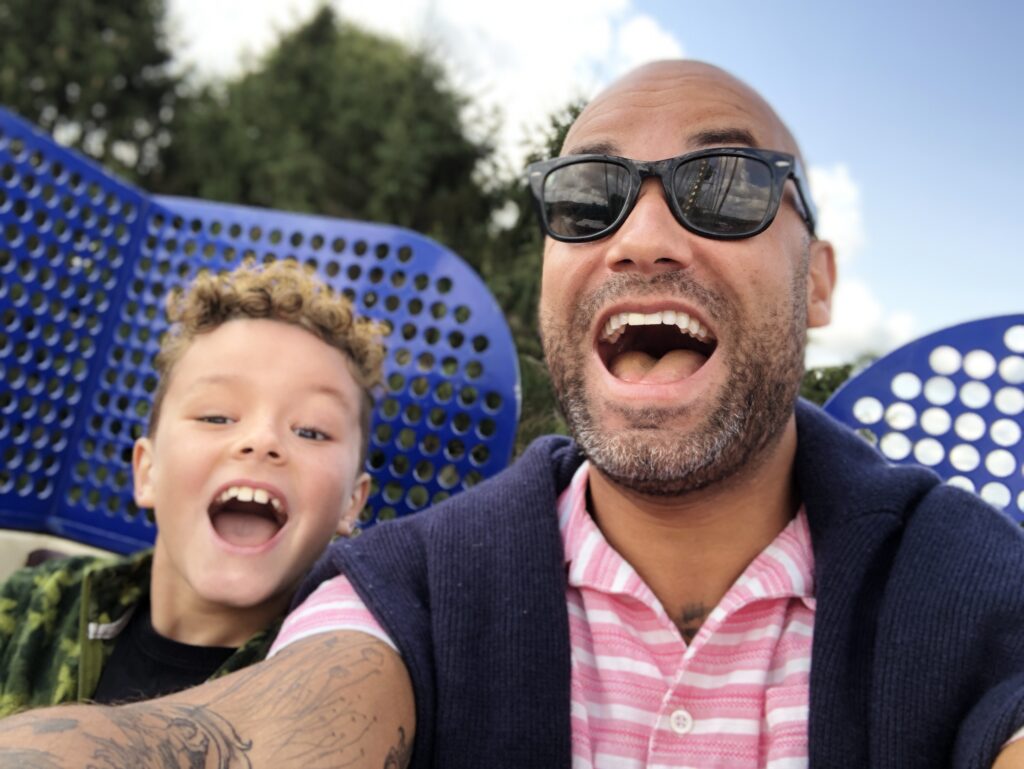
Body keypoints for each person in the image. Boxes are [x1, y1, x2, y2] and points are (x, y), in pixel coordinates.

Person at [1, 59, 1023, 769]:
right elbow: (254, 736)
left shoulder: (979, 581)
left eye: (723, 185)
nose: (641, 237)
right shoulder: (411, 588)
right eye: (587, 198)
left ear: (818, 281)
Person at [0, 259, 382, 714]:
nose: (262, 440)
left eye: (312, 431)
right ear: (147, 472)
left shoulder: (335, 695)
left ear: (351, 503)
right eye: (216, 416)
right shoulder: (35, 605)